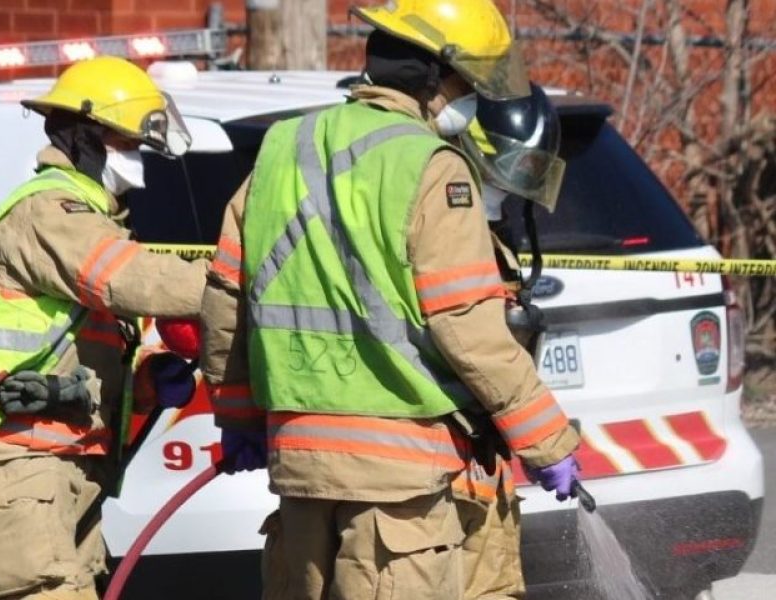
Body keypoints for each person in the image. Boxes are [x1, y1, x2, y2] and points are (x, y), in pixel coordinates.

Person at [198, 1, 581, 598]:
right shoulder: (432, 167)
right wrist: (548, 442)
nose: (471, 99)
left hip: (299, 472)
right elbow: (467, 327)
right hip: (399, 483)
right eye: (467, 83)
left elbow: (227, 295)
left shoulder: (282, 147)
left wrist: (239, 414)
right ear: (433, 75)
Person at [0, 56, 206, 600]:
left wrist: (145, 384)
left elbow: (80, 355)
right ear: (85, 138)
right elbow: (133, 279)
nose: (136, 158)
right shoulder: (47, 213)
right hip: (21, 475)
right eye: (127, 142)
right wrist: (238, 282)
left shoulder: (90, 221)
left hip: (67, 479)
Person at [450, 83, 568, 600]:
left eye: (531, 168)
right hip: (441, 463)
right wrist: (547, 444)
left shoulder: (492, 231)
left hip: (481, 458)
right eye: (512, 164)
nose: (518, 179)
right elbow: (474, 341)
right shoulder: (447, 224)